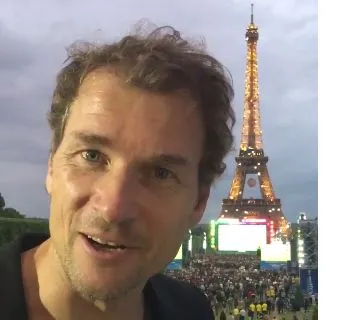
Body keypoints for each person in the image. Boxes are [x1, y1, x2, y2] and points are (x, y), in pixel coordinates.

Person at [0, 24, 235, 320]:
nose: (113, 208)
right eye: (92, 156)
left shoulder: (193, 311)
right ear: (51, 165)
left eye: (160, 173)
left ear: (198, 203)